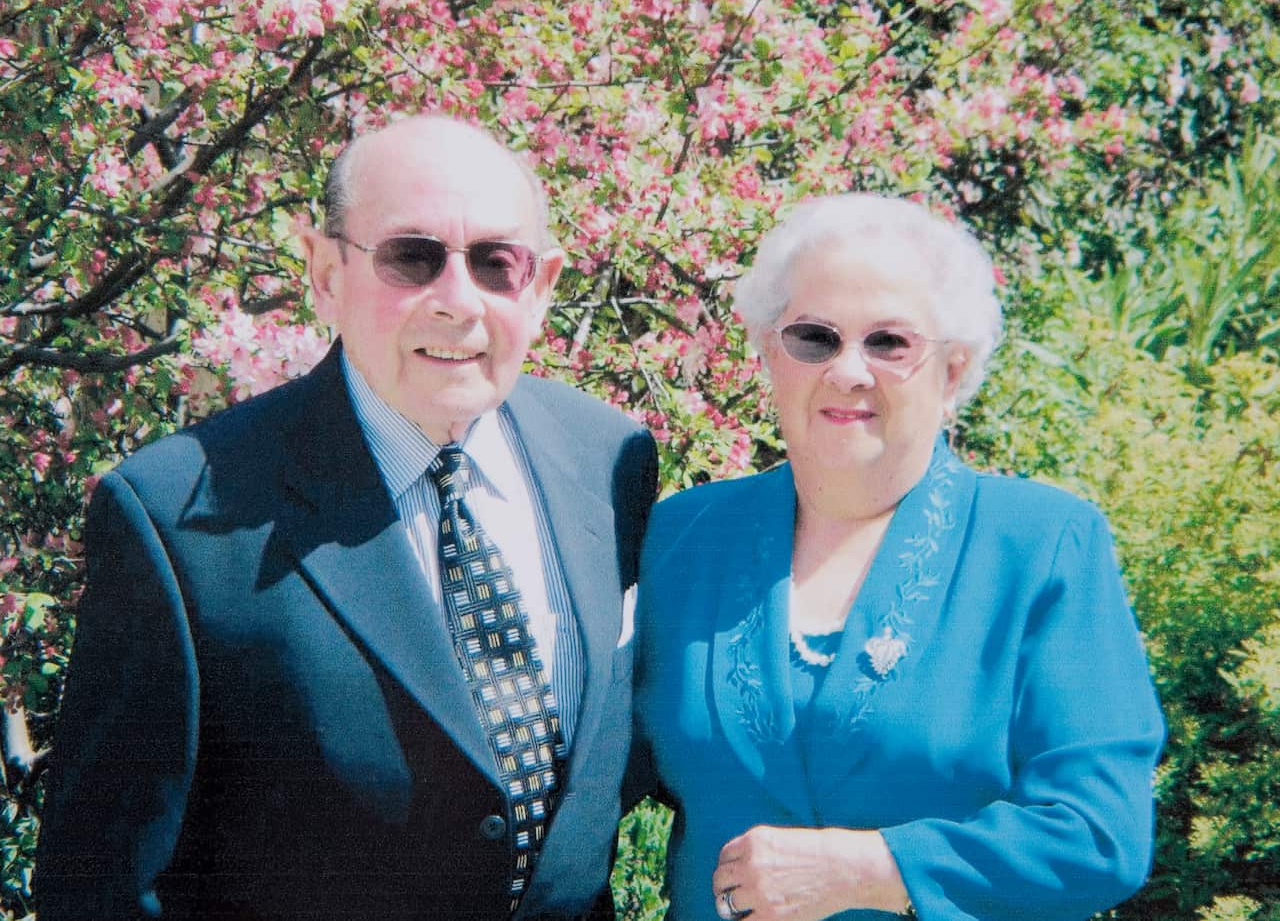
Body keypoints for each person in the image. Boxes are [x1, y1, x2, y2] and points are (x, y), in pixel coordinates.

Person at [36, 114, 657, 921]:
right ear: (326, 273)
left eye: (497, 264)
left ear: (541, 287)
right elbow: (105, 887)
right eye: (412, 258)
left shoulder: (610, 461)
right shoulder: (178, 520)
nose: (458, 303)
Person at [632, 193, 1165, 921]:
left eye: (889, 343)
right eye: (814, 338)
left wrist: (877, 870)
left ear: (952, 372)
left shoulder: (1042, 546)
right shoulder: (685, 540)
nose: (849, 371)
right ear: (769, 355)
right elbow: (589, 776)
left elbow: (1101, 834)